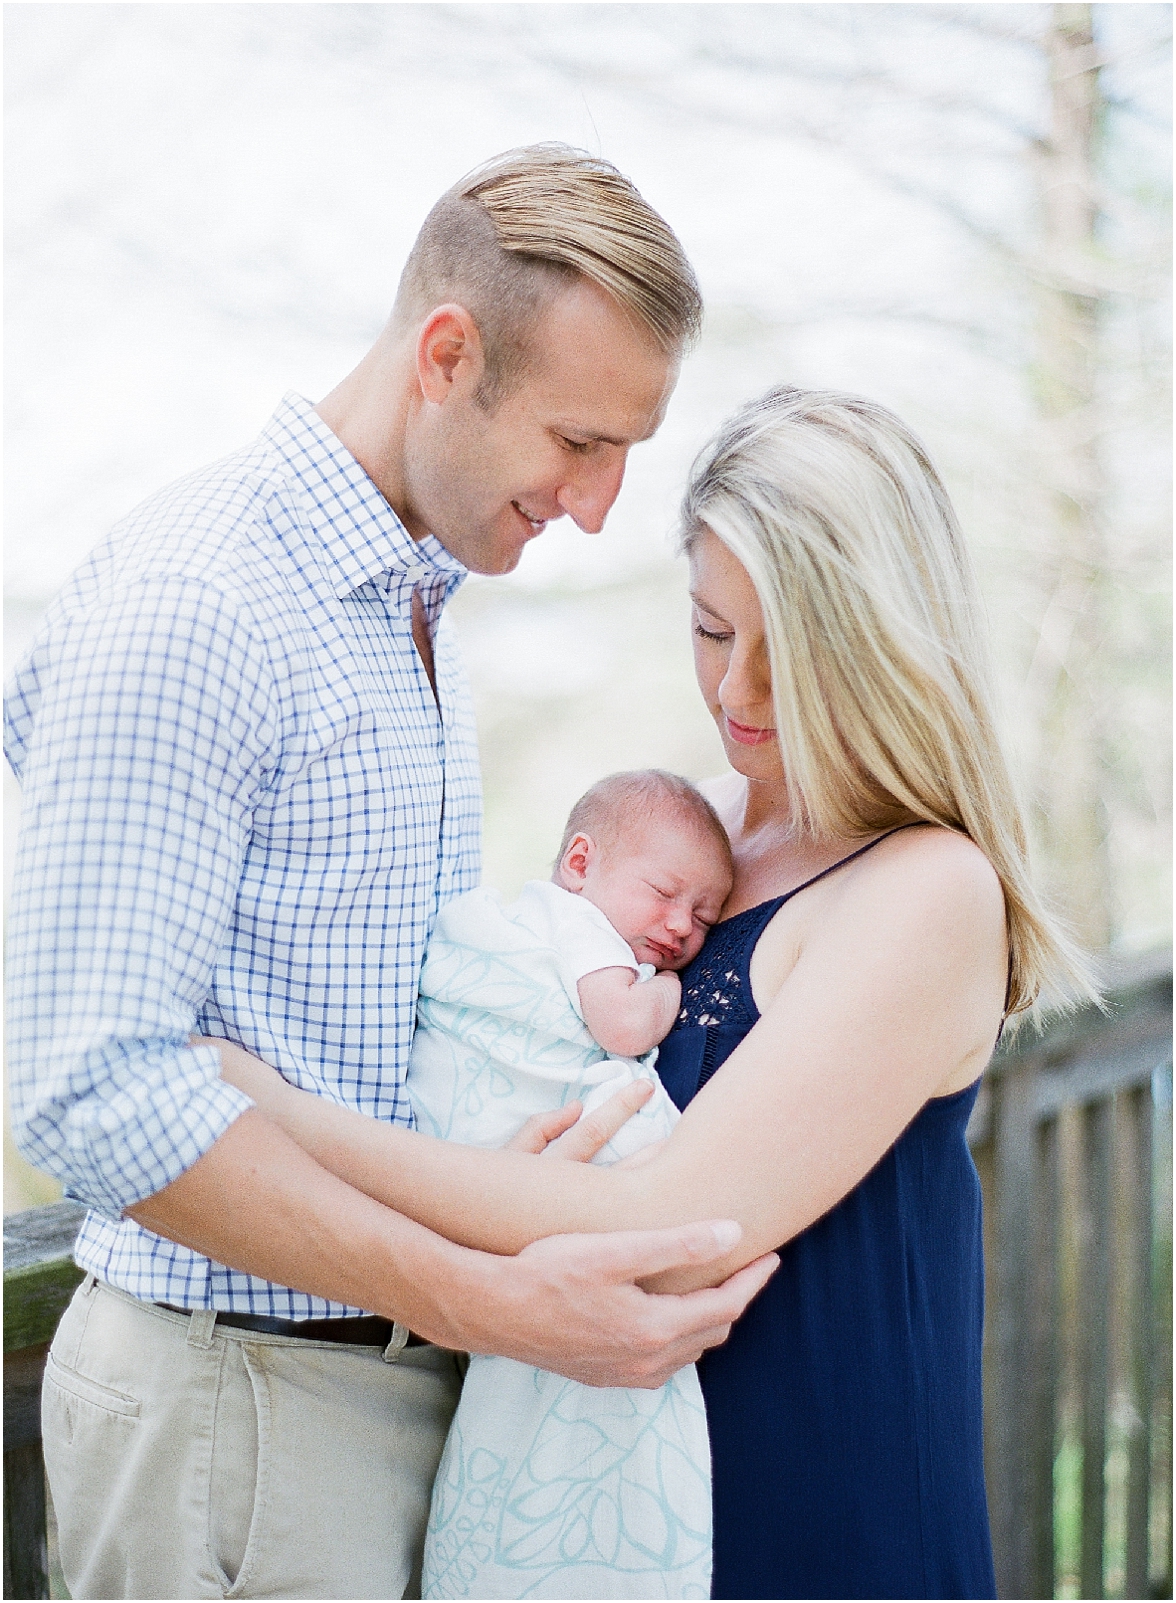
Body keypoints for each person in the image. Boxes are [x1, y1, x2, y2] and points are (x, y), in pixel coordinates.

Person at [4, 145, 776, 1602]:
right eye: (578, 439)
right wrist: (491, 1292)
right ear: (446, 353)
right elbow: (87, 1081)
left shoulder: (405, 604)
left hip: (375, 1392)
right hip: (232, 1415)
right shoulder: (203, 601)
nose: (602, 503)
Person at [215, 386, 1097, 1600]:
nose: (735, 694)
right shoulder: (698, 835)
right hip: (623, 1524)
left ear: (884, 643)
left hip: (824, 1520)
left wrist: (265, 1115)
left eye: (789, 653)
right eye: (709, 629)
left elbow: (673, 1232)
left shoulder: (928, 889)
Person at [410, 769, 732, 1600]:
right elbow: (621, 1028)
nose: (678, 927)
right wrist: (664, 989)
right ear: (580, 863)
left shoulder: (550, 922)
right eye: (664, 894)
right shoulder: (579, 929)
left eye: (704, 917)